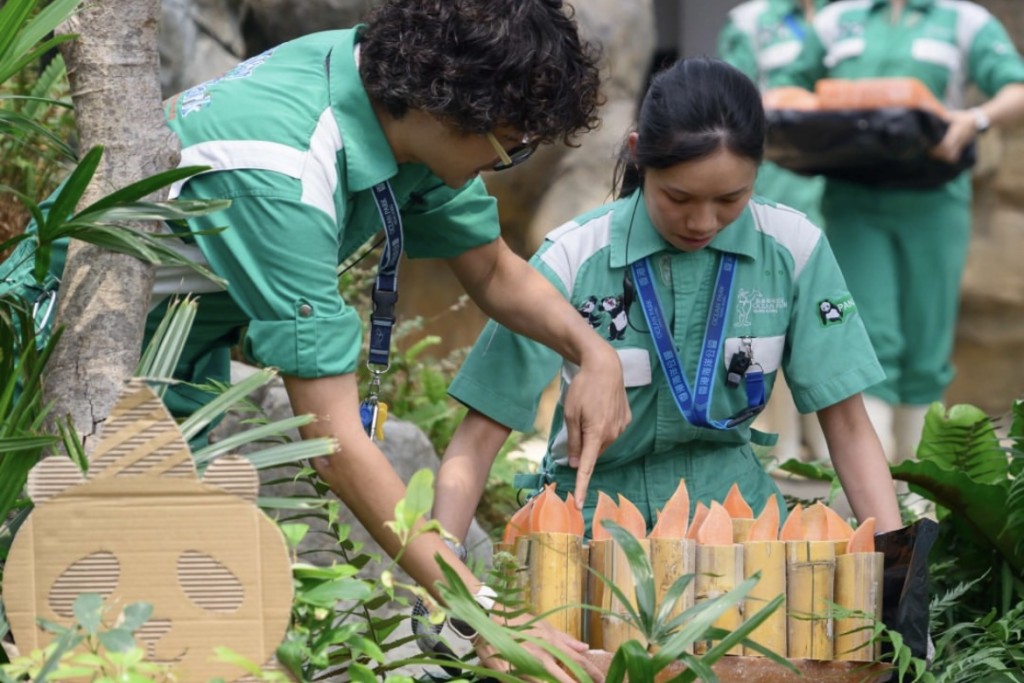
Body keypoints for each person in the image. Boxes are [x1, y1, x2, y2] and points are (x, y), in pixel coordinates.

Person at [0, 0, 631, 679]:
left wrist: (592, 353)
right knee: (55, 615)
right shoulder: (285, 171)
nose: (508, 163)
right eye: (512, 145)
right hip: (56, 370)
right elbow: (333, 443)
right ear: (447, 108)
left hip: (173, 376)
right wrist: (478, 612)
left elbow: (492, 268)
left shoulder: (379, 87)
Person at [433, 56, 902, 545]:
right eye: (678, 198)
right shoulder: (573, 258)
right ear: (639, 155)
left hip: (738, 526)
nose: (701, 222)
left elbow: (847, 423)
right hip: (593, 527)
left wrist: (896, 564)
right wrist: (440, 570)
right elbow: (479, 435)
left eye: (729, 199)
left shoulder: (794, 249)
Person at [774, 0, 1024, 466]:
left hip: (934, 196)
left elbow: (1016, 85)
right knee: (867, 331)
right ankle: (872, 473)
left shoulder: (962, 18)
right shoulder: (836, 20)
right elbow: (785, 89)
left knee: (928, 329)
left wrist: (976, 119)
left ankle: (920, 471)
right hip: (854, 196)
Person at [717, 0, 832, 464]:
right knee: (772, 318)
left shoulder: (853, 17)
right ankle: (780, 445)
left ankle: (829, 449)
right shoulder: (751, 21)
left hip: (840, 190)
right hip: (774, 183)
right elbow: (729, 109)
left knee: (831, 318)